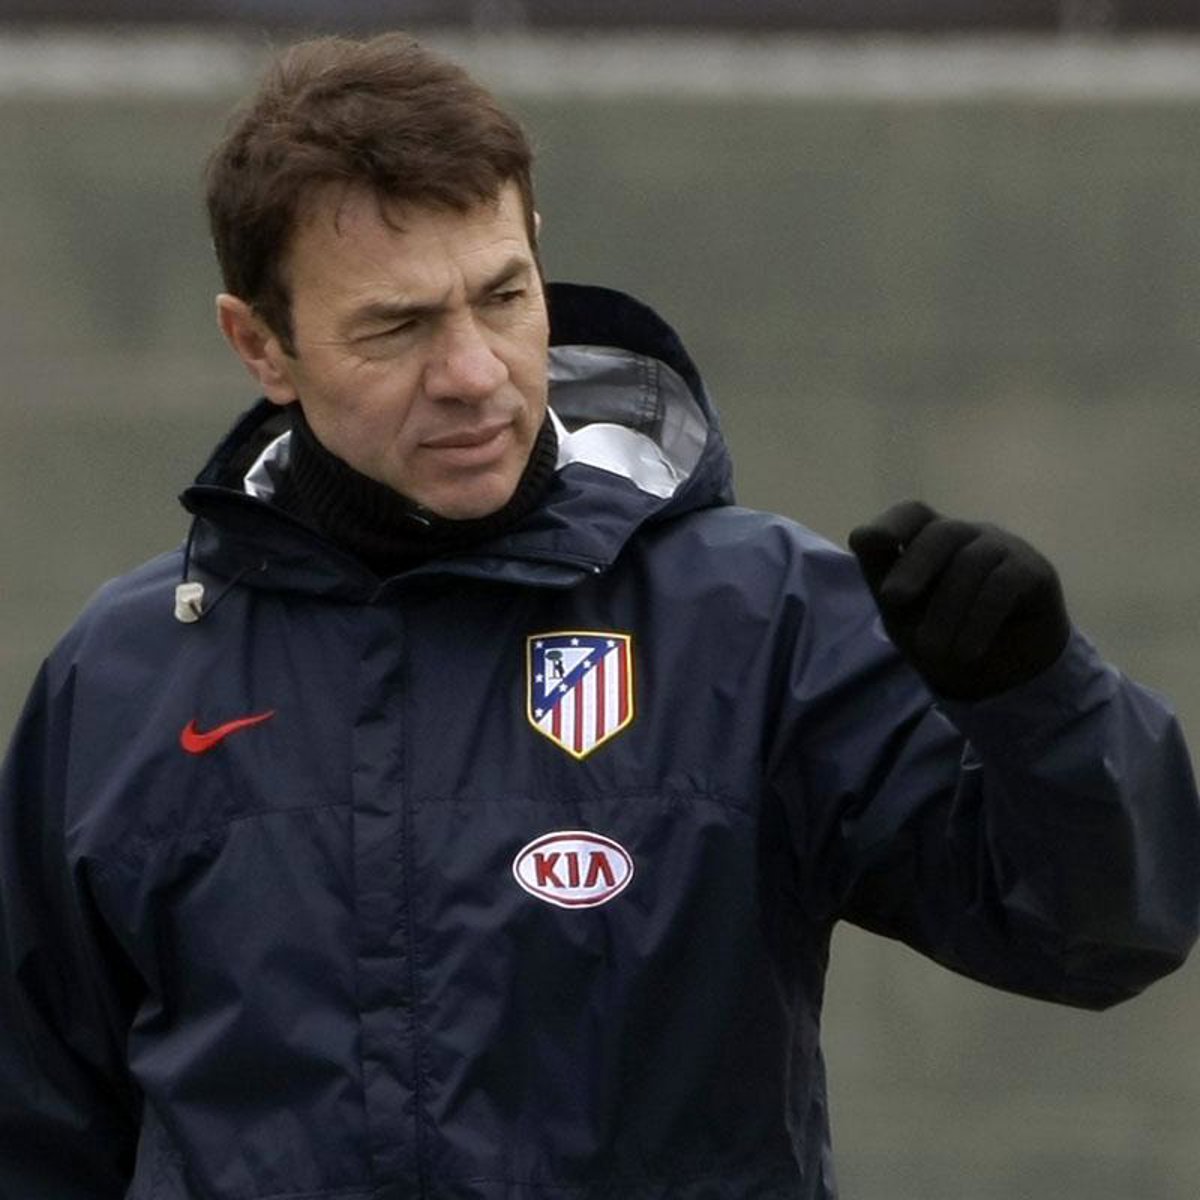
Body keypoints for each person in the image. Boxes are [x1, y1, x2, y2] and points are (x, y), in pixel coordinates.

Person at [0, 32, 1197, 1200]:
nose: (474, 372)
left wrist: (1037, 701)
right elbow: (36, 1124)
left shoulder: (754, 620)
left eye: (503, 296)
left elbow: (1102, 933)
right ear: (261, 345)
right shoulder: (126, 676)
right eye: (399, 326)